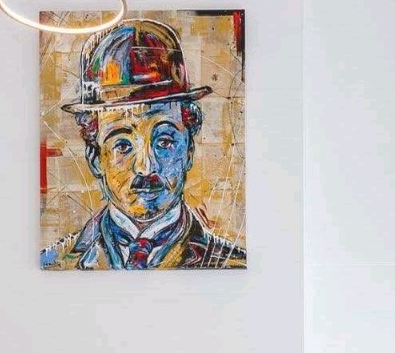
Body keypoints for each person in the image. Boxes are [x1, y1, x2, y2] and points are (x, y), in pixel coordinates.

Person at [41, 19, 246, 271]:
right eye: (123, 146)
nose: (146, 167)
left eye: (164, 141)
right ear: (95, 157)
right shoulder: (55, 264)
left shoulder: (230, 266)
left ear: (189, 150)